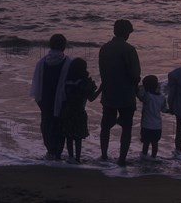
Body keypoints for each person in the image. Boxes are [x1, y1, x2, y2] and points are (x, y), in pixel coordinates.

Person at [99, 19, 141, 166]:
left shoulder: (104, 48)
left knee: (105, 126)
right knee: (127, 127)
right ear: (127, 33)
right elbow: (135, 75)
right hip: (125, 95)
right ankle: (122, 159)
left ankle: (104, 155)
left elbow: (102, 73)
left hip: (109, 93)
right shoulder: (129, 50)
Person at [30, 34, 72, 160]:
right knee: (60, 127)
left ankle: (50, 151)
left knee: (47, 126)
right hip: (62, 101)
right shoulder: (68, 62)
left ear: (50, 45)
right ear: (64, 46)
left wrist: (40, 102)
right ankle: (58, 153)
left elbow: (36, 85)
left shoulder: (42, 62)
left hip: (45, 100)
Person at [62, 58, 100, 164]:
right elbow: (91, 98)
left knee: (68, 136)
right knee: (78, 138)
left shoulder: (67, 81)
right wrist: (100, 89)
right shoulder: (85, 82)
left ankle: (70, 157)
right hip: (79, 111)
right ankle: (78, 158)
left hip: (68, 111)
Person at [137, 75, 168, 160]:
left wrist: (135, 88)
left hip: (147, 125)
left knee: (146, 143)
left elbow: (140, 97)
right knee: (155, 144)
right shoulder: (162, 97)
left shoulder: (148, 96)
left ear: (146, 87)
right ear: (156, 86)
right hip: (157, 126)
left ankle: (143, 157)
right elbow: (164, 109)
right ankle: (153, 158)